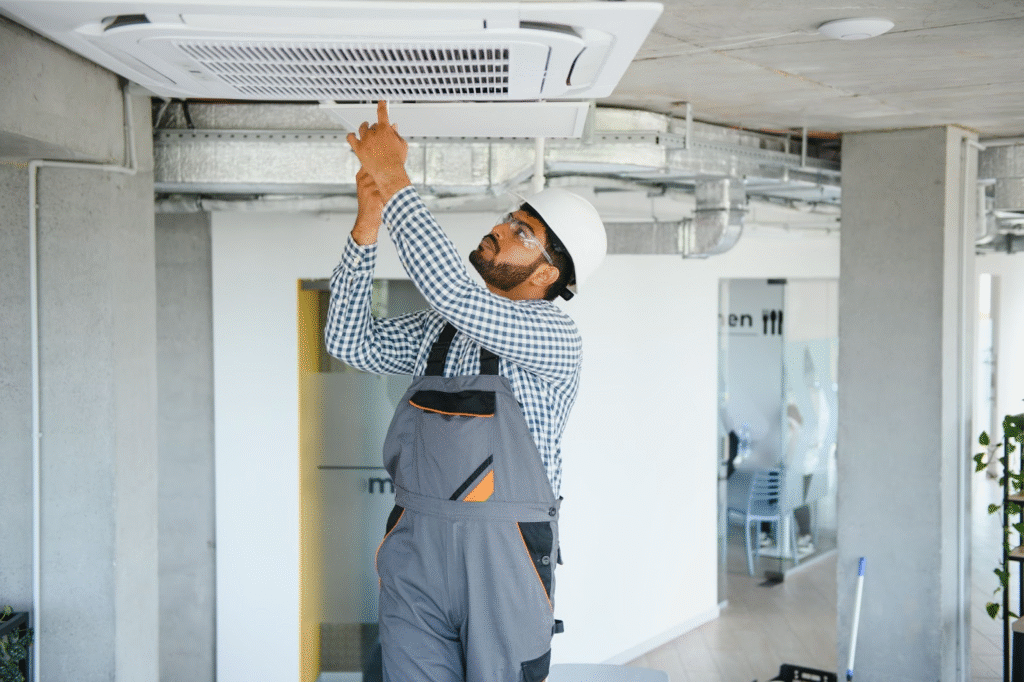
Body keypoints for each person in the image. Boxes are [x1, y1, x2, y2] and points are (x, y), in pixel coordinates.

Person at [326, 101, 607, 682]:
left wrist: (398, 180)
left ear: (546, 274)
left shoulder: (553, 336)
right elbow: (348, 340)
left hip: (503, 559)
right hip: (416, 548)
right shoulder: (440, 327)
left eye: (522, 232)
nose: (500, 229)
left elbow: (457, 293)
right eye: (510, 218)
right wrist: (368, 223)